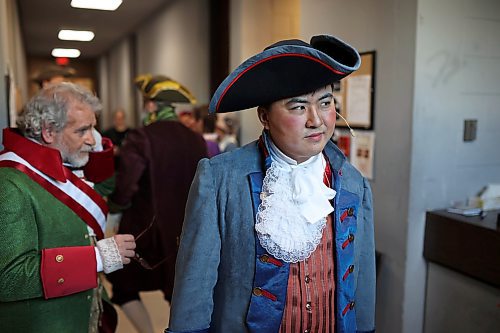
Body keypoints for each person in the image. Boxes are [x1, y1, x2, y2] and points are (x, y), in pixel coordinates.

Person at [167, 35, 376, 333]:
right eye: (298, 107)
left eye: (326, 103)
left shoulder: (354, 182)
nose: (317, 120)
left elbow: (362, 281)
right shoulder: (220, 178)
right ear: (264, 116)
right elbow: (195, 283)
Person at [0, 82, 137, 333]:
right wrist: (98, 257)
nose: (90, 139)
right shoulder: (10, 185)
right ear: (49, 132)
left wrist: (93, 144)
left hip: (82, 312)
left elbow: (105, 188)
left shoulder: (57, 161)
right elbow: (8, 278)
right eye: (83, 130)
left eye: (93, 128)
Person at [106, 75, 208, 333]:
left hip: (146, 228)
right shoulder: (196, 139)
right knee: (178, 288)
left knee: (122, 285)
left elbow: (126, 186)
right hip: (186, 228)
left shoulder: (140, 137)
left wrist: (114, 208)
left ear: (151, 105)